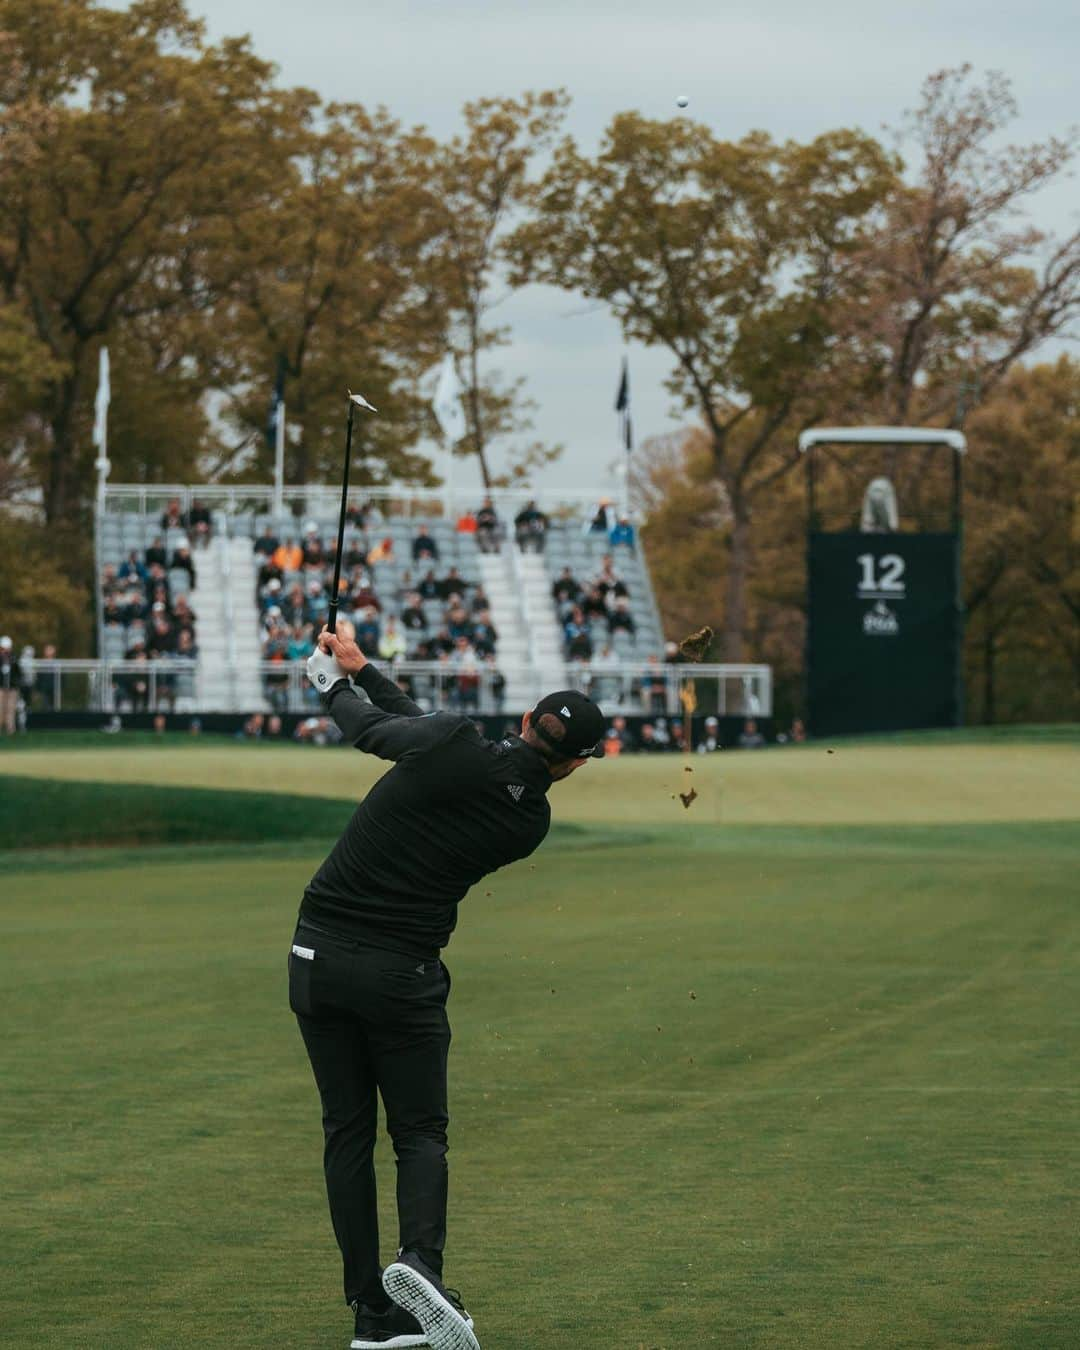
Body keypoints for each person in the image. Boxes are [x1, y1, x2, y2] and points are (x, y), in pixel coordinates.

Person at [294, 633, 606, 1350]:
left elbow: (384, 734)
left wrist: (331, 690)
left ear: (525, 718)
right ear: (577, 764)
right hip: (398, 972)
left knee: (346, 1130)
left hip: (314, 952)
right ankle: (420, 1265)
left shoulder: (453, 743)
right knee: (418, 1132)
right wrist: (360, 671)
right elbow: (421, 736)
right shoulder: (529, 820)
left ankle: (373, 1316)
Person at [0, 636, 18, 735]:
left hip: (12, 688)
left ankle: (10, 731)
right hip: (1, 688)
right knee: (0, 708)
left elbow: (18, 673)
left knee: (11, 709)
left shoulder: (14, 658)